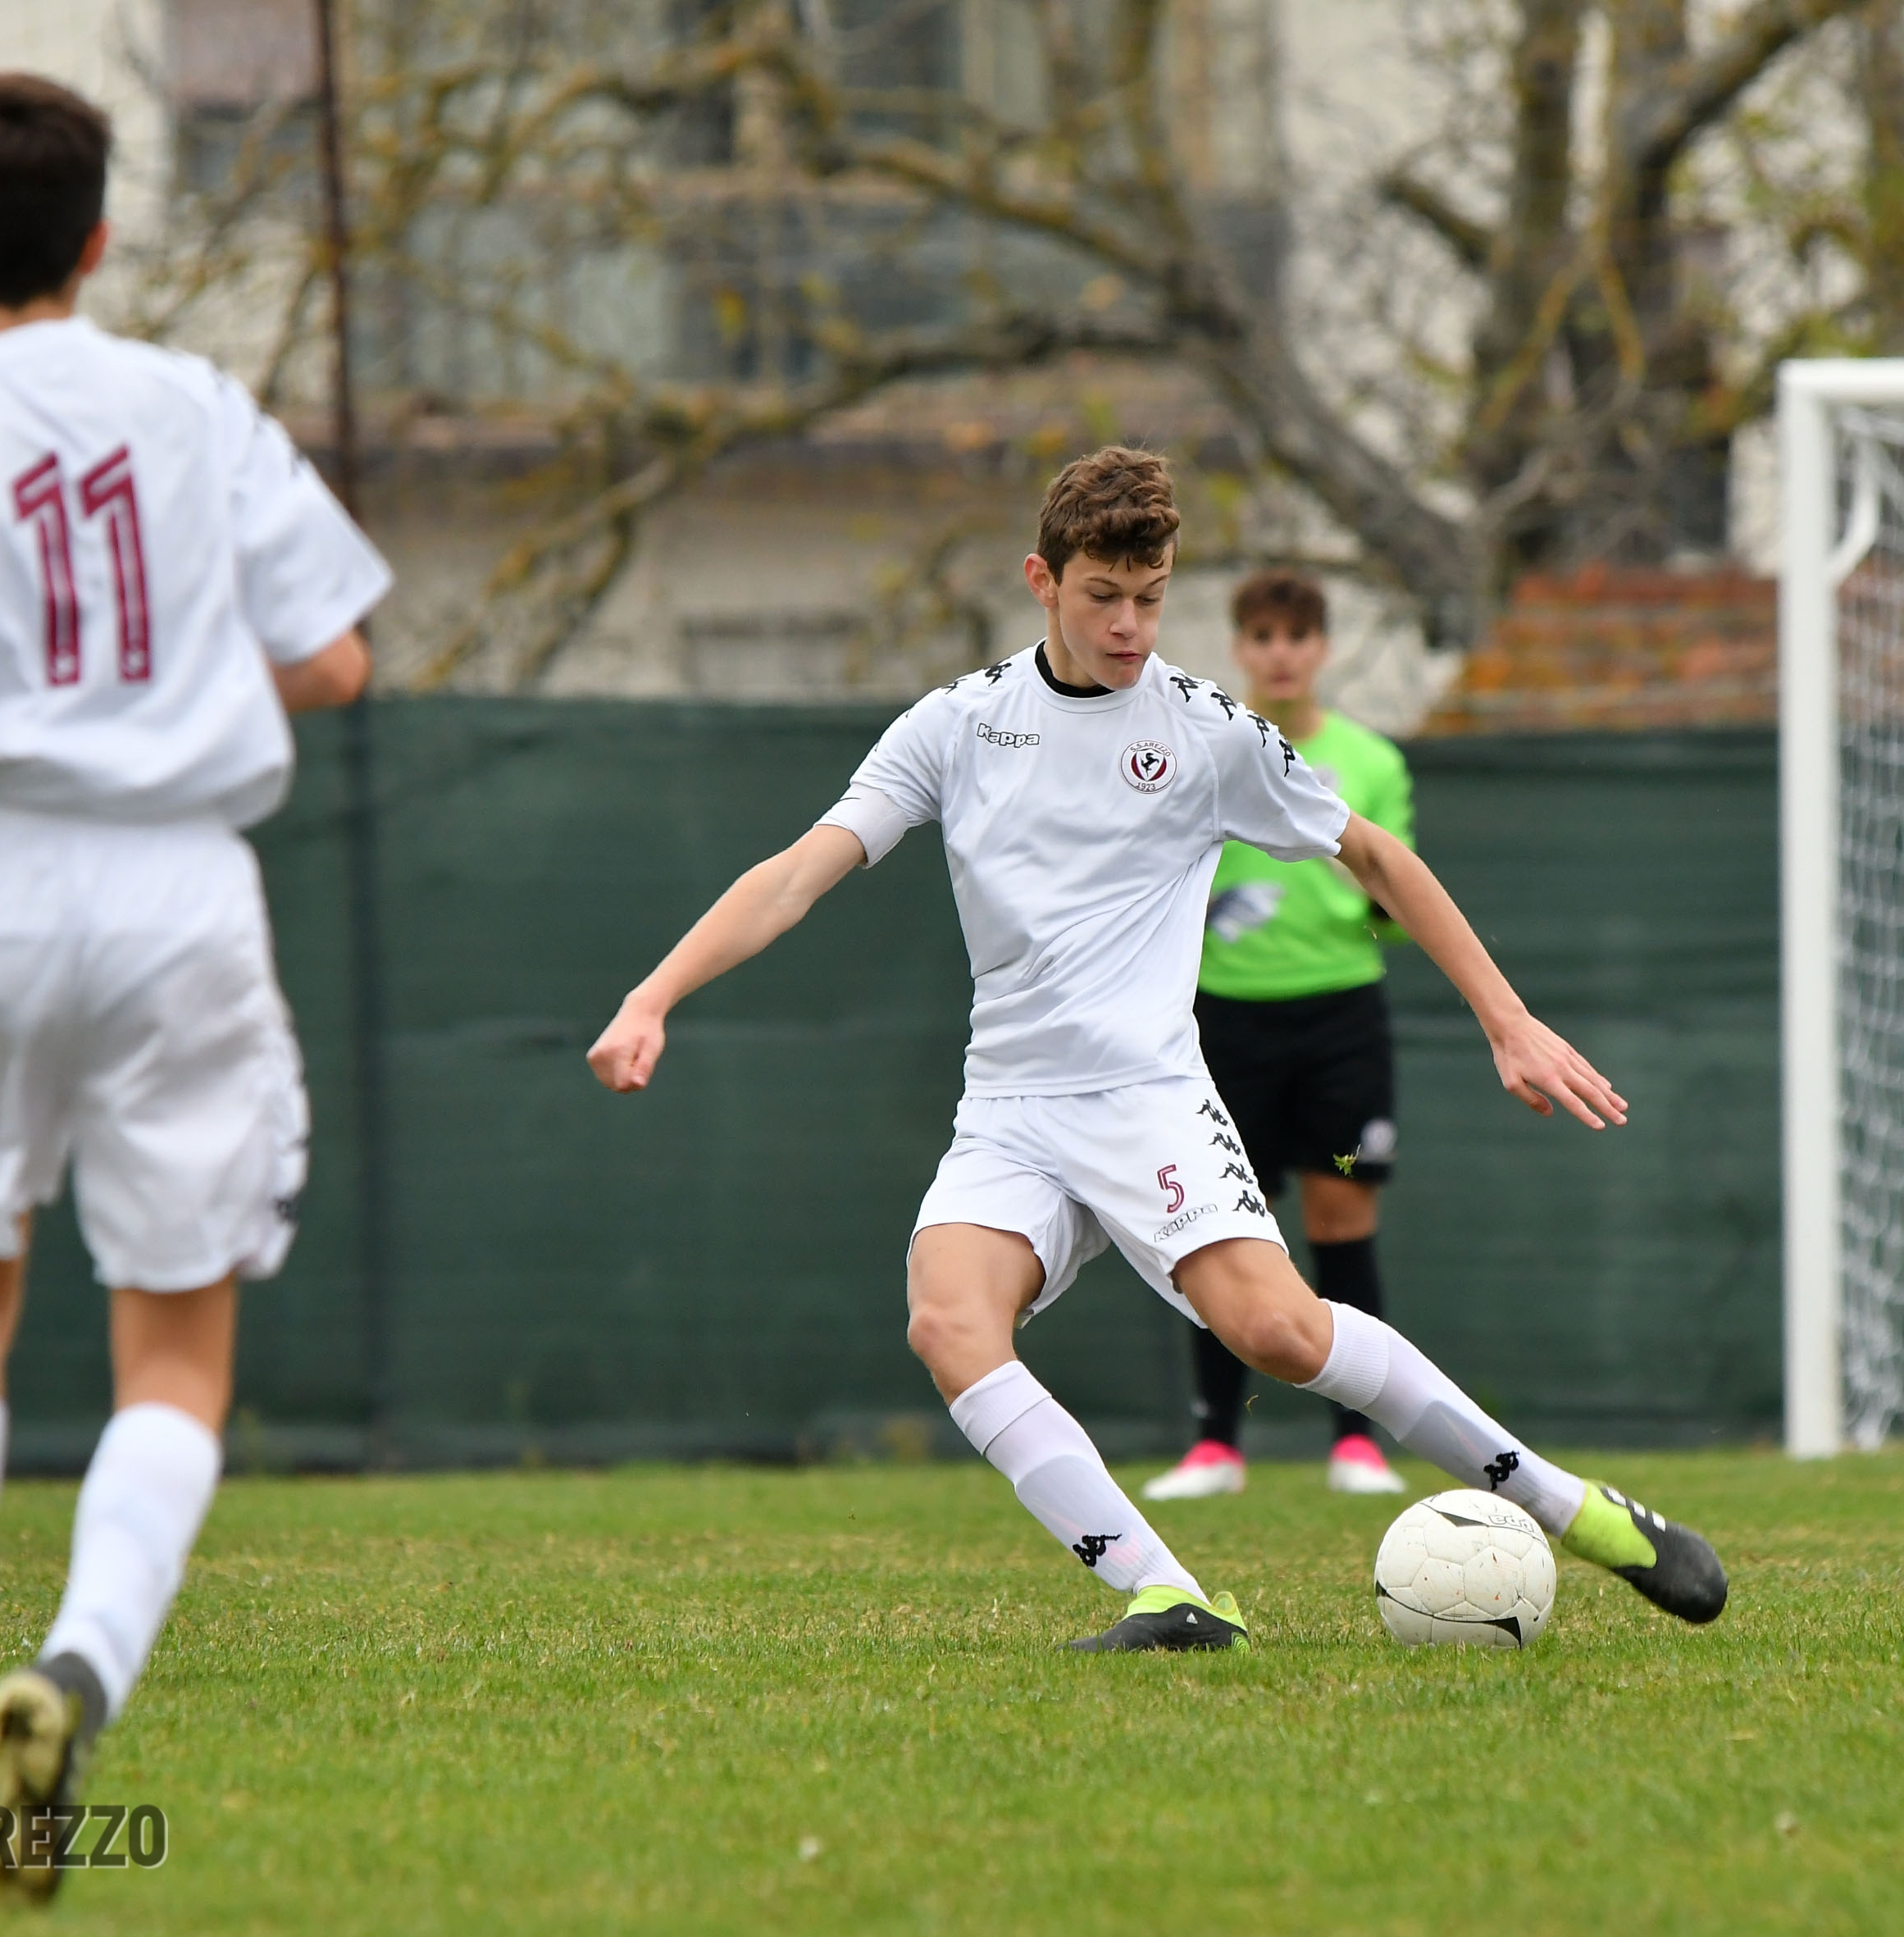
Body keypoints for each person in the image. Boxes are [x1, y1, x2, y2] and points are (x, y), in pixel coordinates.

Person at [590, 446, 1726, 1652]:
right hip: (1012, 1111)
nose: (1129, 624)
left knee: (1280, 1336)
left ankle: (1574, 1508)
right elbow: (792, 877)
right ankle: (1170, 1593)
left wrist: (1507, 1020)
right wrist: (653, 994)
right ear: (1042, 580)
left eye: (1151, 596)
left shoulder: (1203, 729)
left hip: (1149, 1100)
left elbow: (1376, 857)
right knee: (946, 1323)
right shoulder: (958, 724)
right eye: (1102, 596)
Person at [0, 74, 385, 1898]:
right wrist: (180, 703)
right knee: (174, 1342)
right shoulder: (197, 407)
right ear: (102, 236)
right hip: (176, 892)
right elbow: (342, 655)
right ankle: (67, 1672)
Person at [1143, 567, 1414, 1500]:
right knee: (1217, 1229)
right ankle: (1217, 1443)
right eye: (1263, 637)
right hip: (1223, 1027)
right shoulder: (1207, 746)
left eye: (1298, 636)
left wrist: (1356, 888)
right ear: (1241, 648)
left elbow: (1395, 907)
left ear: (1322, 648)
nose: (1281, 654)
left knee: (1341, 1219)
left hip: (1340, 1021)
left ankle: (1358, 1444)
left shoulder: (1372, 762)